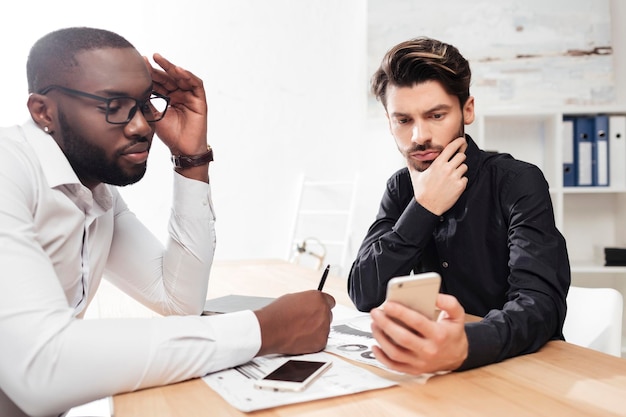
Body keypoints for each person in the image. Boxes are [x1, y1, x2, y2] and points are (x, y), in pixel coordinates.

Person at [0, 27, 335, 417]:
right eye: (114, 105)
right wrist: (263, 330)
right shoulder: (9, 170)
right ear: (44, 112)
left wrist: (191, 158)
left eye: (145, 103)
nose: (142, 126)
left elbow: (179, 300)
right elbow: (43, 369)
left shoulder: (95, 193)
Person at [348, 37, 570, 375]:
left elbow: (541, 306)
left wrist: (465, 344)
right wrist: (422, 208)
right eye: (403, 120)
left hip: (518, 369)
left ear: (467, 109)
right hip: (434, 373)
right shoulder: (401, 188)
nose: (419, 136)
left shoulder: (517, 182)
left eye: (436, 115)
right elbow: (364, 293)